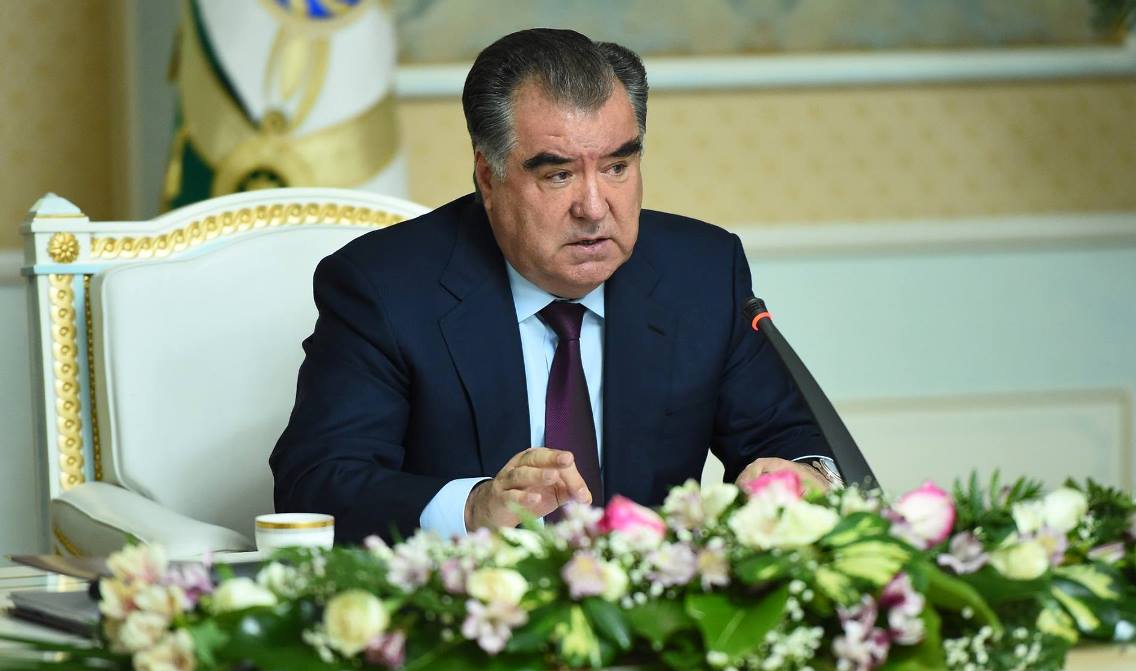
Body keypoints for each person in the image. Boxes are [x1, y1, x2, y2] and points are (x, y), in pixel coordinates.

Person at [271, 28, 838, 544]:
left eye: (617, 167)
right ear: (488, 176)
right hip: (464, 607)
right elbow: (316, 483)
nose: (594, 208)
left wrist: (805, 476)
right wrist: (473, 507)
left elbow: (792, 442)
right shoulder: (384, 287)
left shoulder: (702, 273)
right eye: (558, 174)